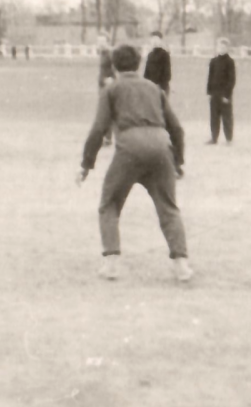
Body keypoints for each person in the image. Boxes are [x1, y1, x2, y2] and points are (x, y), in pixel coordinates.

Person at [77, 44, 192, 282]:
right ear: (139, 64)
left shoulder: (111, 89)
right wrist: (177, 161)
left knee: (109, 204)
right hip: (161, 147)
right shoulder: (154, 88)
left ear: (114, 66)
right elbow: (177, 128)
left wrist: (86, 164)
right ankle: (181, 265)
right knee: (168, 208)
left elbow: (99, 129)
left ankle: (111, 264)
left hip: (130, 147)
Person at [205, 37, 236, 145]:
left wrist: (227, 95)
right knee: (214, 116)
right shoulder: (213, 61)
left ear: (227, 48)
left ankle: (228, 139)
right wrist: (208, 92)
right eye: (220, 46)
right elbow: (210, 77)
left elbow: (232, 80)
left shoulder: (230, 62)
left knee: (227, 116)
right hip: (214, 93)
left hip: (224, 94)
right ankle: (214, 138)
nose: (221, 48)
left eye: (224, 47)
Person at [96, 33, 116, 146]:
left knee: (107, 111)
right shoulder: (102, 53)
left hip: (108, 86)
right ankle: (106, 137)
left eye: (102, 41)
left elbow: (117, 67)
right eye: (98, 41)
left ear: (107, 42)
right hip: (102, 85)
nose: (100, 43)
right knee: (104, 111)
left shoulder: (110, 53)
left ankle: (108, 138)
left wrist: (111, 79)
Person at [143, 30, 172, 94]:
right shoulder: (150, 55)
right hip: (150, 87)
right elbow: (146, 73)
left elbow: (167, 74)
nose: (154, 42)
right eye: (152, 40)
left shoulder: (165, 54)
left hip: (161, 87)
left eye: (156, 40)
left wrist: (161, 86)